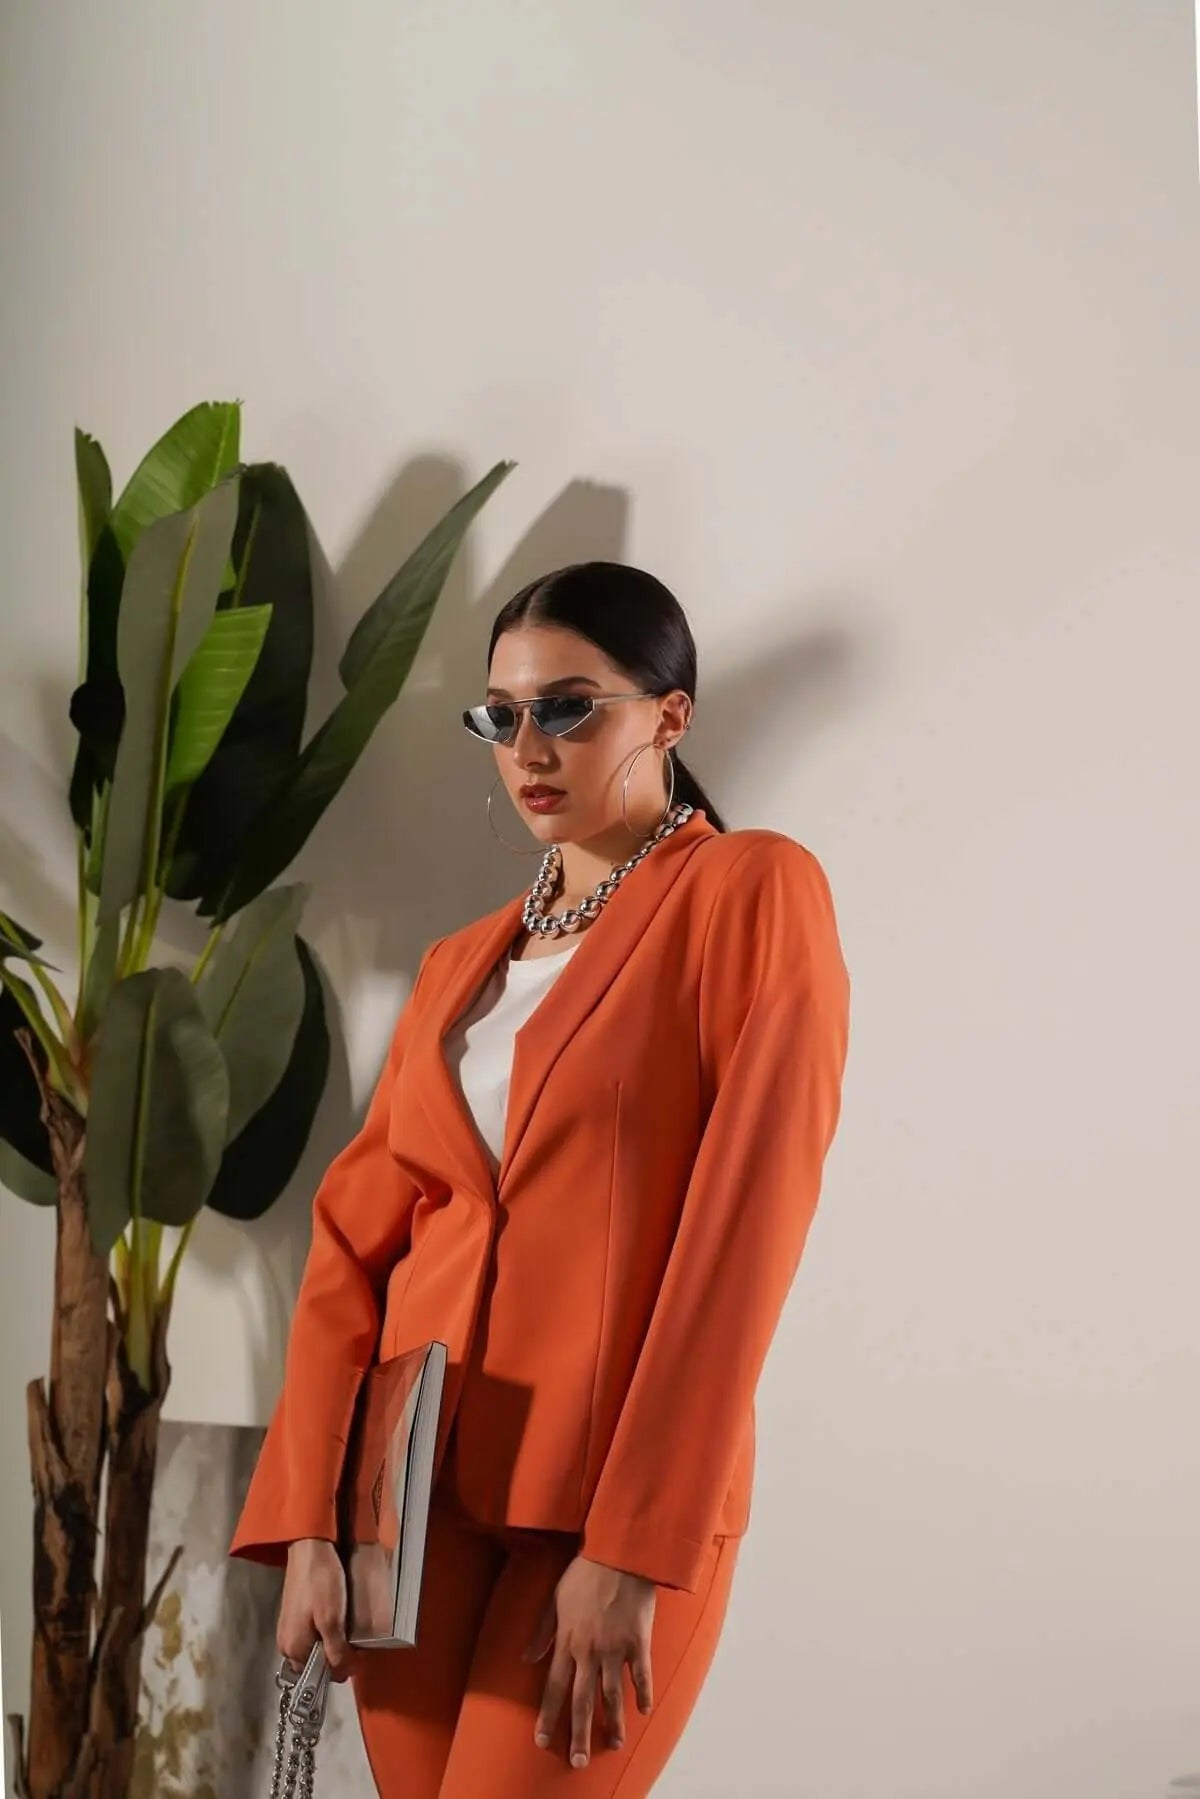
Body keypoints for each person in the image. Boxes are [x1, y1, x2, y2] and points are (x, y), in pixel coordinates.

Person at [229, 561, 852, 1795]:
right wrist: (312, 1515)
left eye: (568, 707)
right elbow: (354, 1243)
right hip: (413, 1507)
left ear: (670, 713)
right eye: (502, 714)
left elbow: (742, 1236)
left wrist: (637, 1544)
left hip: (606, 1504)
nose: (529, 747)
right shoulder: (459, 962)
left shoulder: (748, 892)